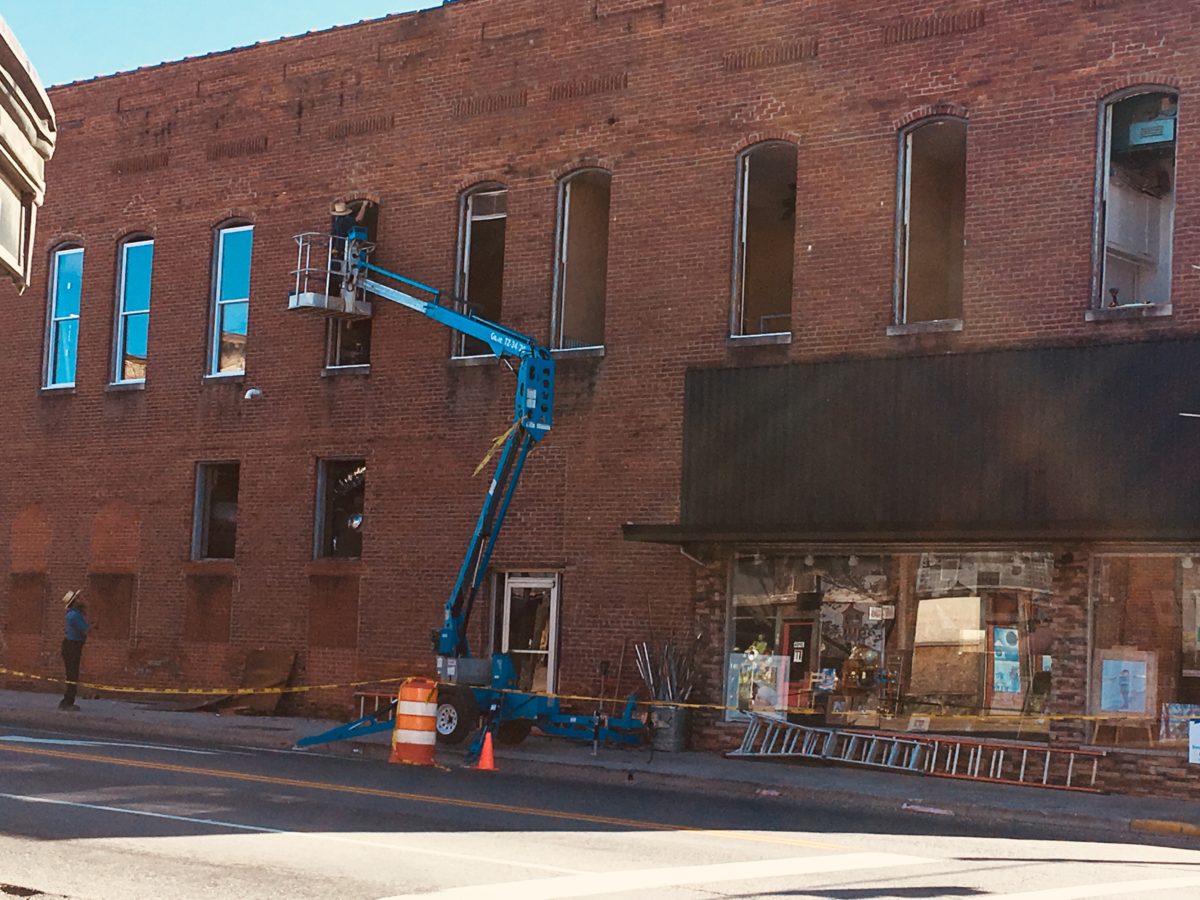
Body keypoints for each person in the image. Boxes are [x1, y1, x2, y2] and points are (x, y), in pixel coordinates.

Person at [60, 589, 91, 711]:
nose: (81, 600)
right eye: (78, 598)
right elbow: (85, 630)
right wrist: (93, 626)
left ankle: (67, 700)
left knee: (71, 674)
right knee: (72, 675)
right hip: (72, 646)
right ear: (74, 602)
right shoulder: (74, 615)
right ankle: (68, 702)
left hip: (72, 645)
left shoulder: (74, 614)